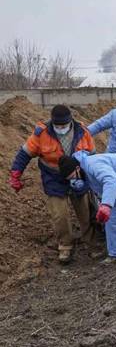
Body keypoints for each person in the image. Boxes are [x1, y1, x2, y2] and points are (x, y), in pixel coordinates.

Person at [8, 105, 95, 264]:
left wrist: (90, 178)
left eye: (63, 126)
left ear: (70, 121)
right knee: (60, 215)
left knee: (85, 210)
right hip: (53, 177)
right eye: (57, 126)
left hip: (77, 174)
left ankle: (92, 242)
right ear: (53, 123)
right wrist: (16, 173)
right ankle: (65, 246)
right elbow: (24, 154)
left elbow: (93, 155)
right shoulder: (42, 133)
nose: (60, 128)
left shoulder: (82, 131)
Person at [59, 151, 116, 264]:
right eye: (70, 179)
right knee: (111, 223)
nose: (74, 180)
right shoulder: (84, 170)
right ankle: (115, 255)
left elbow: (110, 180)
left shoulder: (93, 165)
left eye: (73, 177)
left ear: (78, 168)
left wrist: (106, 205)